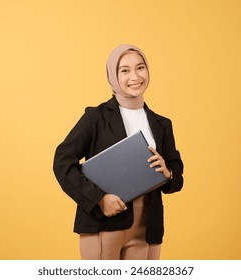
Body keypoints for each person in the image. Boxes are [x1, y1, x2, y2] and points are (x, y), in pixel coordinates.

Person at [53, 44, 184, 260]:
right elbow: (62, 161)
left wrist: (168, 174)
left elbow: (176, 177)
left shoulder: (162, 124)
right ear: (113, 75)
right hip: (103, 222)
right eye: (124, 70)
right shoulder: (96, 117)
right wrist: (99, 200)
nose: (135, 76)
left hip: (147, 226)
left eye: (140, 68)